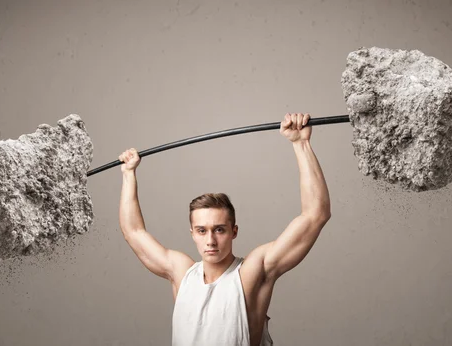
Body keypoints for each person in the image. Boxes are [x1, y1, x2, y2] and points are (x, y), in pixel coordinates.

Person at [118, 113, 331, 346]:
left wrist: (301, 144)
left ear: (234, 231)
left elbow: (315, 215)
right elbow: (134, 232)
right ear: (192, 233)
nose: (210, 240)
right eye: (202, 231)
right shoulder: (181, 274)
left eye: (219, 230)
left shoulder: (252, 273)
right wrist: (128, 174)